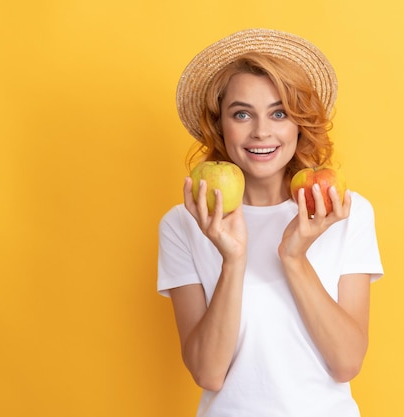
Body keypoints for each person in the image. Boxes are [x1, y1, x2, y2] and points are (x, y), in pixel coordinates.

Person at [157, 28, 384, 417]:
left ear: (299, 123)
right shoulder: (186, 222)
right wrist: (232, 260)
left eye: (279, 113)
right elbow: (209, 373)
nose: (261, 131)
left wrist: (294, 257)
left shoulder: (343, 211)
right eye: (242, 113)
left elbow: (346, 363)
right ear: (219, 125)